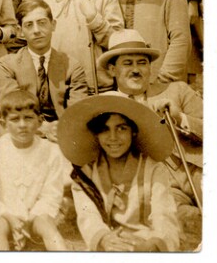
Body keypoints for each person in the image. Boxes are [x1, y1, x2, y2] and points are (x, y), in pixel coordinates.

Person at [97, 30, 202, 227]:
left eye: (142, 63)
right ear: (112, 70)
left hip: (199, 171)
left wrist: (180, 118)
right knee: (182, 223)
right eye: (128, 63)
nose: (136, 70)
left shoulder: (177, 90)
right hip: (158, 186)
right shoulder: (104, 107)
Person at [58, 92, 179, 252]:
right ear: (96, 133)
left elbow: (164, 215)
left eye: (121, 128)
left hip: (146, 244)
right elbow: (88, 216)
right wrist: (105, 239)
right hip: (107, 244)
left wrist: (150, 245)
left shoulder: (154, 169)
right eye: (105, 129)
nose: (113, 137)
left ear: (133, 131)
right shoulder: (86, 174)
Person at [0, 91, 66, 251]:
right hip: (2, 216)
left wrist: (29, 220)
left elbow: (51, 195)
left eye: (28, 118)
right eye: (15, 119)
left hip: (36, 217)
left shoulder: (52, 151)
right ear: (4, 124)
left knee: (46, 224)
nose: (22, 125)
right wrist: (10, 218)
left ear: (40, 121)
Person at [0, 0, 88, 140]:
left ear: (53, 25)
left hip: (61, 134)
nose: (36, 30)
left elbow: (77, 112)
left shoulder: (72, 66)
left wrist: (58, 130)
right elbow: (12, 111)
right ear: (20, 31)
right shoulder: (7, 65)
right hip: (20, 135)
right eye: (29, 25)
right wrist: (44, 128)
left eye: (42, 23)